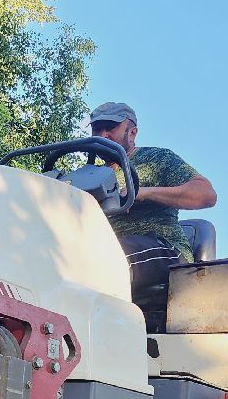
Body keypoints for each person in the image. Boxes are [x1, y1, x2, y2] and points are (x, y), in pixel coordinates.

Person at [87, 102, 217, 321]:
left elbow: (206, 194)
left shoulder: (157, 159)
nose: (103, 134)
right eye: (97, 129)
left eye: (110, 127)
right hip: (106, 247)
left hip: (163, 248)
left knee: (103, 258)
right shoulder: (89, 174)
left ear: (132, 132)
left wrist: (143, 192)